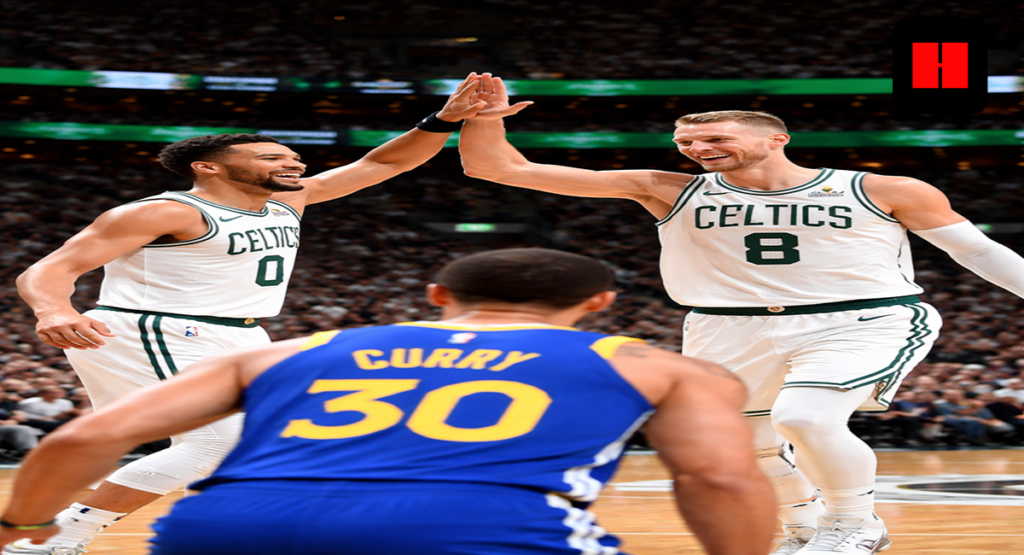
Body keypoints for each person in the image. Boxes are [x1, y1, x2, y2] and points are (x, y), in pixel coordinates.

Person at [458, 74, 1024, 555]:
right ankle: (802, 529)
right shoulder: (665, 188)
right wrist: (485, 118)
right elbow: (499, 169)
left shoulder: (884, 188)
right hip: (724, 324)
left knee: (805, 418)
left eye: (713, 137)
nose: (697, 148)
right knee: (744, 444)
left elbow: (976, 251)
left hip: (861, 318)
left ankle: (854, 523)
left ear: (777, 139)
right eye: (686, 140)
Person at [0, 248, 775, 555]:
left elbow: (84, 438)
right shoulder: (653, 361)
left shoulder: (303, 347)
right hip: (480, 529)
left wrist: (24, 524)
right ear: (601, 301)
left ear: (436, 295)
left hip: (230, 526)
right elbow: (720, 481)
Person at [9, 73, 489, 555]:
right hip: (160, 327)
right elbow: (51, 268)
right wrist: (52, 309)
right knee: (215, 446)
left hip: (241, 334)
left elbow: (384, 161)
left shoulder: (287, 201)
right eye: (271, 156)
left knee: (269, 443)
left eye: (293, 156)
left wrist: (442, 119)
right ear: (208, 168)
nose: (292, 162)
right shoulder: (165, 212)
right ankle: (47, 541)